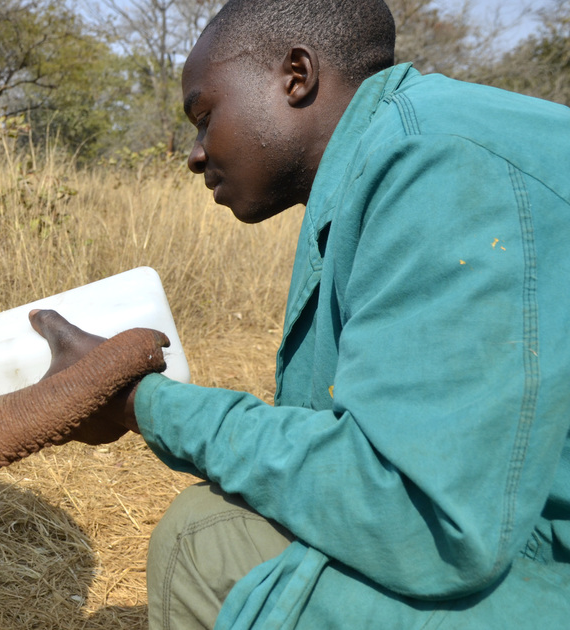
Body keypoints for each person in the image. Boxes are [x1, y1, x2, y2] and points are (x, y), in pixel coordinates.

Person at [29, 0, 570, 628]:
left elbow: (419, 517)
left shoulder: (442, 164)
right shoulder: (386, 161)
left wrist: (140, 403)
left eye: (205, 117)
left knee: (207, 543)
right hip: (522, 527)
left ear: (296, 76)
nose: (195, 154)